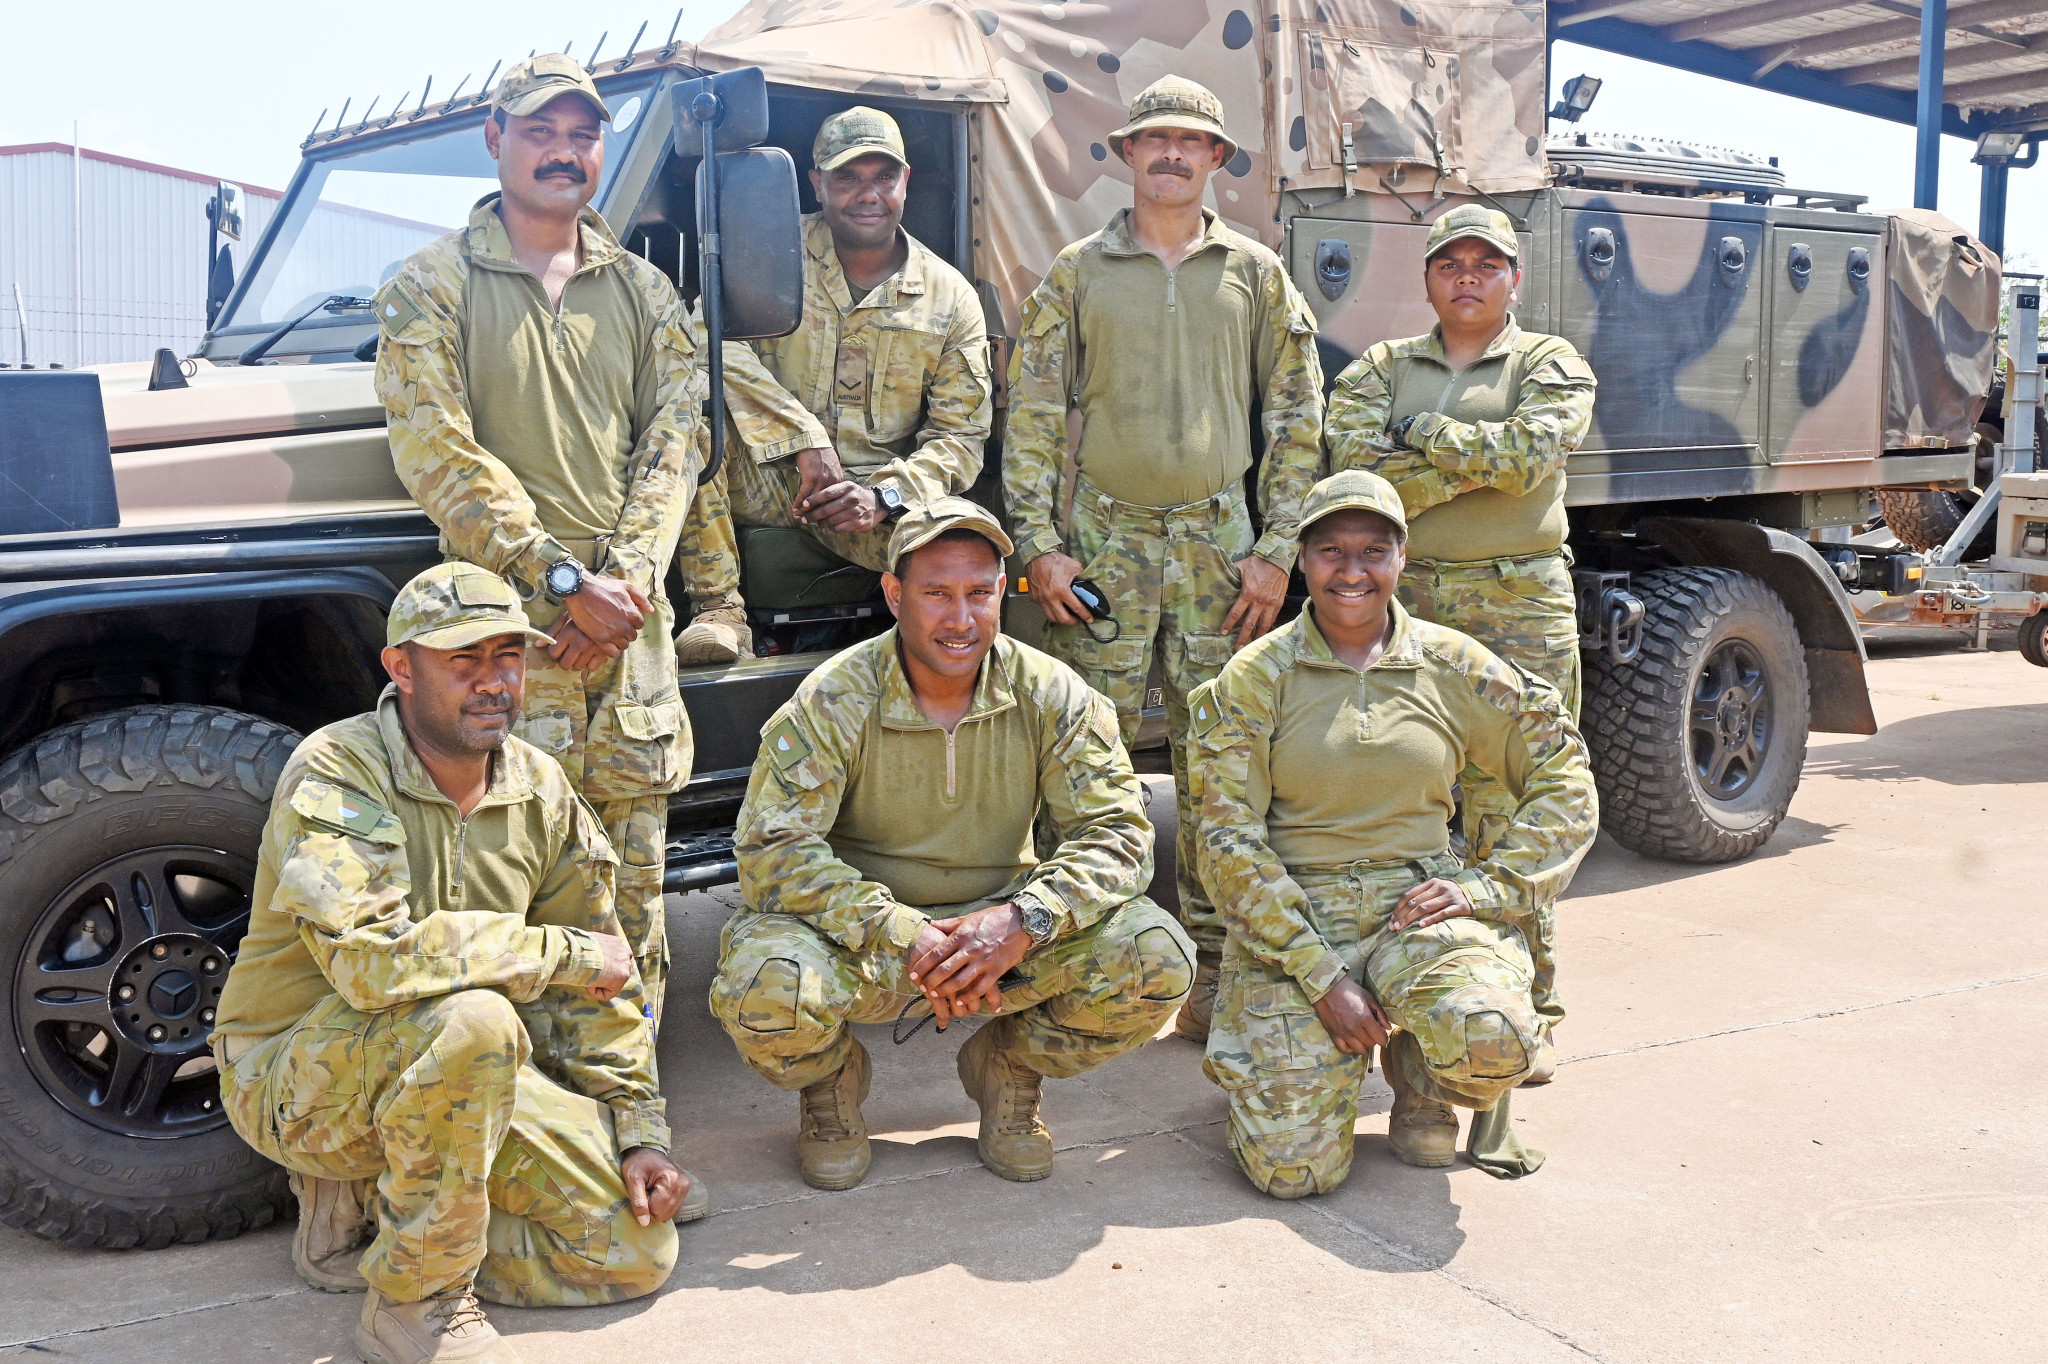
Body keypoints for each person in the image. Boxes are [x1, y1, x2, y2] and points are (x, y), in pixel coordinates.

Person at [212, 563, 698, 1364]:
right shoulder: (338, 770)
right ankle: (415, 1301)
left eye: (508, 657)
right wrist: (560, 954)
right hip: (297, 1075)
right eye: (462, 661)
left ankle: (386, 1213)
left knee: (631, 1253)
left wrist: (639, 1133)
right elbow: (372, 965)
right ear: (401, 668)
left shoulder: (538, 788)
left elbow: (605, 986)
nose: (492, 683)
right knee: (478, 1018)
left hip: (464, 1072)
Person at [373, 53, 747, 1026]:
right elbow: (438, 454)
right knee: (505, 907)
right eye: (540, 131)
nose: (563, 151)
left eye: (582, 134)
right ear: (495, 140)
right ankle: (531, 1139)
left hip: (625, 644)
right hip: (502, 643)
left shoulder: (642, 293)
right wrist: (558, 576)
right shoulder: (430, 288)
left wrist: (619, 588)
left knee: (630, 915)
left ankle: (632, 1134)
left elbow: (674, 442)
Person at [709, 498, 1194, 1190]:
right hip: (872, 944)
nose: (960, 619)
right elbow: (772, 851)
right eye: (936, 594)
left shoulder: (1053, 693)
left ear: (1003, 592)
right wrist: (904, 933)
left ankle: (1010, 1067)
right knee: (764, 986)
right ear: (893, 594)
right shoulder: (836, 698)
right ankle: (830, 1083)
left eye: (978, 593)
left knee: (1156, 960)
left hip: (1006, 936)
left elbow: (1118, 836)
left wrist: (1023, 921)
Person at [1004, 75, 1325, 1043]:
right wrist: (1040, 550)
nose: (1172, 156)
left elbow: (1297, 417)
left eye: (1192, 141)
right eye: (1155, 141)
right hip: (1100, 544)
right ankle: (1087, 956)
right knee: (1086, 759)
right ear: (1128, 156)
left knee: (1218, 763)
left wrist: (1276, 552)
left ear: (1215, 160)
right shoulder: (1076, 273)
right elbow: (1027, 418)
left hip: (1218, 552)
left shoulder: (1256, 275)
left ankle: (1215, 967)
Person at [1188, 471, 1597, 1199]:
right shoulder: (1255, 678)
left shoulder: (1452, 663)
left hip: (1418, 899)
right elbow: (1227, 844)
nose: (1352, 571)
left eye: (1373, 550)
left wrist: (1487, 888)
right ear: (1303, 563)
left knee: (1493, 1040)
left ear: (1402, 558)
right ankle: (1293, 1067)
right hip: (1298, 910)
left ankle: (1423, 1073)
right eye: (1329, 552)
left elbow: (1562, 771)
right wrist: (1319, 978)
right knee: (1295, 1171)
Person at [1321, 204, 1597, 1031]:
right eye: (1451, 264)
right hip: (1408, 604)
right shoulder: (1379, 365)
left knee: (1520, 800)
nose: (1468, 277)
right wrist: (1479, 459)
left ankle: (1529, 1003)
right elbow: (1359, 476)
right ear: (1429, 278)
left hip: (1520, 605)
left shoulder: (1550, 361)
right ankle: (1420, 986)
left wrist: (1423, 434)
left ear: (1515, 277)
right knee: (1404, 792)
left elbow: (1530, 457)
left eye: (1487, 264)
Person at [673, 106, 993, 665]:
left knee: (961, 541)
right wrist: (803, 438)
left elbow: (961, 440)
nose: (866, 194)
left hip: (873, 497)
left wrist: (884, 497)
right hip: (773, 478)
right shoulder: (770, 255)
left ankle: (945, 678)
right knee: (689, 427)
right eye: (846, 178)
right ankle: (718, 610)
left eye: (882, 178)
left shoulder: (949, 297)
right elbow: (704, 341)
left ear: (905, 183)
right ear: (817, 184)